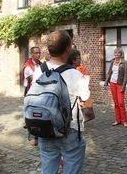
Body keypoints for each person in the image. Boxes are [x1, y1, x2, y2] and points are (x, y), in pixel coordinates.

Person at [32, 30, 90, 174]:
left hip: (45, 127)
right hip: (69, 129)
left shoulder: (39, 71)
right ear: (68, 49)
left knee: (48, 170)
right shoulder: (75, 74)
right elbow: (87, 102)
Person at [22, 46, 42, 146]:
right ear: (31, 54)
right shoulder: (28, 66)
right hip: (31, 93)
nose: (38, 55)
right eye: (36, 53)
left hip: (40, 93)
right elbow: (35, 80)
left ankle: (39, 133)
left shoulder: (41, 65)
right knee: (31, 113)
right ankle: (31, 134)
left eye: (39, 53)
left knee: (40, 113)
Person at [104, 47, 127, 127]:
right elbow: (109, 72)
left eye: (118, 53)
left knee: (121, 103)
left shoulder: (124, 63)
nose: (116, 54)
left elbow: (126, 76)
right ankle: (118, 120)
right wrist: (106, 82)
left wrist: (123, 86)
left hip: (120, 84)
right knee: (116, 103)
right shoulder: (112, 61)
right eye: (115, 53)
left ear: (121, 54)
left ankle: (124, 121)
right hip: (112, 83)